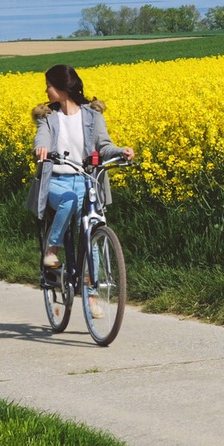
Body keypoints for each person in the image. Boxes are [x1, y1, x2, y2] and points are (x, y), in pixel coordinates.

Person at [29, 64, 133, 291]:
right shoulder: (47, 117)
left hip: (87, 181)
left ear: (61, 87)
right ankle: (52, 250)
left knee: (91, 234)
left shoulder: (92, 116)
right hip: (57, 181)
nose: (46, 91)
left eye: (49, 86)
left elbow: (104, 146)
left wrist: (120, 152)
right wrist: (41, 149)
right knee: (69, 201)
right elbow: (42, 138)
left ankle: (91, 293)